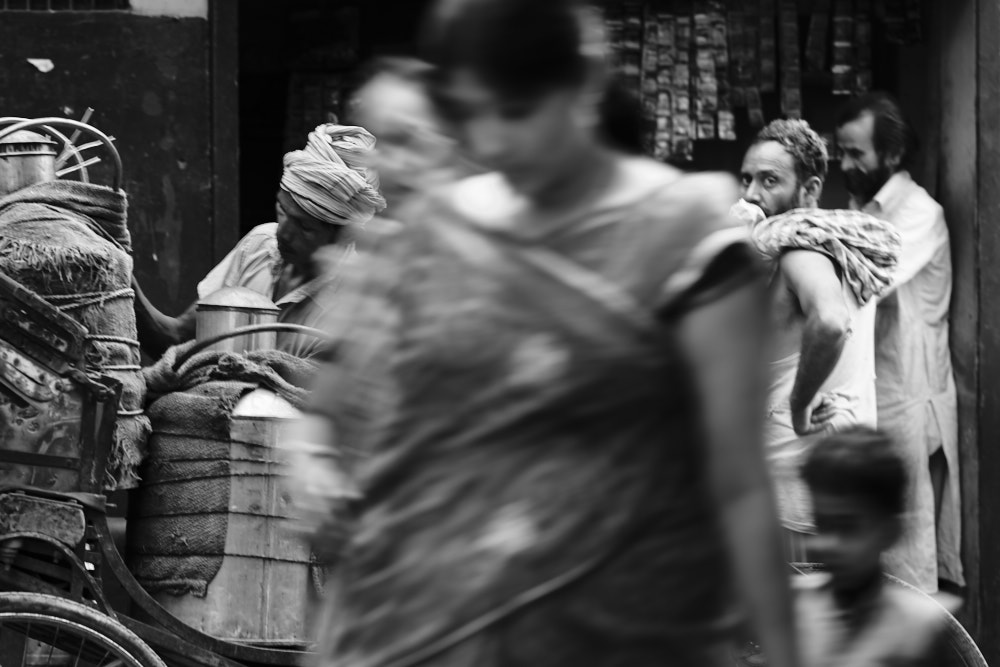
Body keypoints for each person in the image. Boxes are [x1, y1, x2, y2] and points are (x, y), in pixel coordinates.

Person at [303, 1, 801, 666]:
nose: (495, 143)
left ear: (584, 82)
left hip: (626, 629)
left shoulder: (689, 242)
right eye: (473, 114)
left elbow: (739, 482)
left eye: (517, 112)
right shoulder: (439, 235)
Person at [738, 119, 899, 561]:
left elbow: (830, 322)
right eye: (747, 179)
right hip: (839, 479)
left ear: (809, 190)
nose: (752, 194)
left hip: (798, 489)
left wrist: (798, 403)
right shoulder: (841, 245)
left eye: (770, 180)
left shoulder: (801, 253)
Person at [836, 92, 962, 594]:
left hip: (909, 396)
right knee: (879, 532)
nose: (844, 164)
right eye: (840, 152)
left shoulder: (919, 214)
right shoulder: (860, 206)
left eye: (855, 154)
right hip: (876, 391)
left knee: (909, 542)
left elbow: (862, 278)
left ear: (891, 155)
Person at [133, 124, 386, 359]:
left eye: (305, 227)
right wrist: (120, 276)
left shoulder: (352, 309)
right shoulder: (259, 244)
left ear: (346, 235)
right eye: (282, 209)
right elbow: (176, 340)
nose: (283, 233)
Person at [795, 427, 950, 667]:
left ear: (891, 532)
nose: (828, 543)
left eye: (847, 528)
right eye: (822, 525)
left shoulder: (917, 631)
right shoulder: (798, 611)